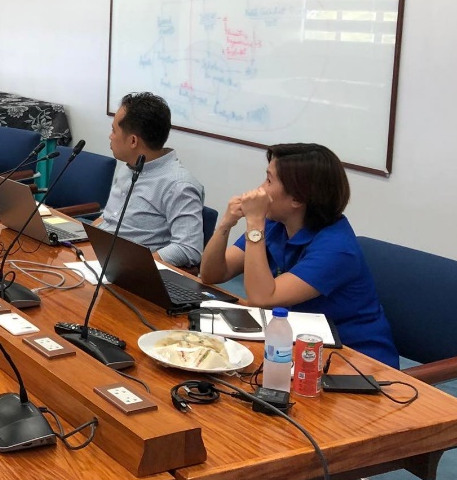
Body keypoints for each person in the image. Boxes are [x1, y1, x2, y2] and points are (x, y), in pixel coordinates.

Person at [199, 144, 399, 367]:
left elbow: (261, 298)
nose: (260, 189)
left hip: (355, 362)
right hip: (295, 344)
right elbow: (211, 274)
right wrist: (226, 225)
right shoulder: (276, 224)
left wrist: (254, 223)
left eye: (269, 181)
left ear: (297, 199)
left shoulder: (337, 248)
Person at [95, 93, 204, 269]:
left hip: (129, 272)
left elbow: (188, 248)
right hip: (99, 256)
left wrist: (139, 266)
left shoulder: (179, 185)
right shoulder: (129, 166)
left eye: (114, 130)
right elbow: (108, 220)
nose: (110, 136)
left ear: (133, 141)